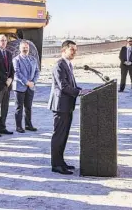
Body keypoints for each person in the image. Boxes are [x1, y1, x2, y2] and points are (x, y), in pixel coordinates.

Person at [48, 40, 90, 175]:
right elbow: (64, 86)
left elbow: (71, 84)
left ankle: (61, 162)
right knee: (59, 136)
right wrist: (78, 92)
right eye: (72, 50)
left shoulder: (68, 65)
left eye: (75, 50)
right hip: (61, 106)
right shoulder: (59, 65)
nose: (74, 52)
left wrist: (82, 90)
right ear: (63, 50)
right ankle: (56, 165)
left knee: (64, 136)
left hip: (67, 105)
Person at [12, 40, 40, 133]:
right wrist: (26, 82)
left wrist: (33, 82)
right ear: (20, 48)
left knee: (28, 107)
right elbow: (16, 73)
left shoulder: (33, 59)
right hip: (20, 86)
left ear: (28, 48)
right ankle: (19, 126)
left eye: (26, 47)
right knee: (19, 107)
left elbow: (37, 71)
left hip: (31, 86)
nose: (25, 49)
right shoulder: (16, 60)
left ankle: (28, 125)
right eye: (23, 47)